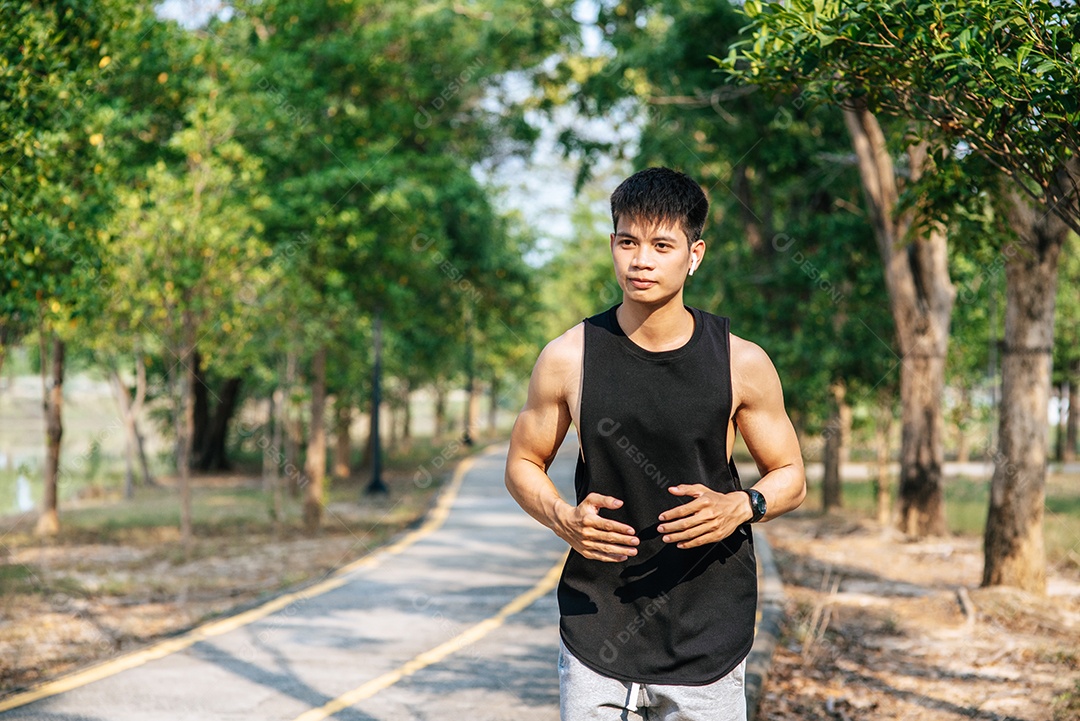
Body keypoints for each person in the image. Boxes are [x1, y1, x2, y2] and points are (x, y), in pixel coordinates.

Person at [503, 166, 806, 720]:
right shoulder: (569, 356)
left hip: (707, 627)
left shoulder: (742, 361)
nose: (641, 260)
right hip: (598, 617)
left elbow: (790, 474)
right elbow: (523, 461)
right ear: (613, 245)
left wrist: (743, 504)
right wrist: (559, 516)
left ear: (694, 254)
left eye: (661, 245)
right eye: (628, 242)